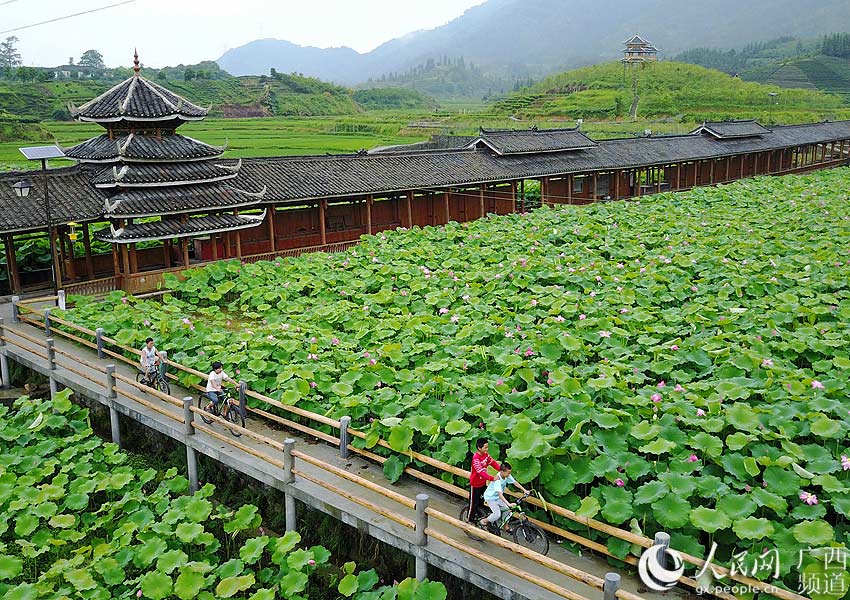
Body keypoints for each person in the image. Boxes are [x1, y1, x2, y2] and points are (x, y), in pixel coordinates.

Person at [479, 462, 528, 531]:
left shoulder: (506, 475)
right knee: (497, 514)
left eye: (509, 473)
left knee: (507, 510)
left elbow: (514, 482)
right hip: (490, 498)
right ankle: (484, 521)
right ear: (502, 472)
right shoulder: (497, 480)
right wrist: (509, 504)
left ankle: (505, 526)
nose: (509, 475)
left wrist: (524, 490)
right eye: (508, 473)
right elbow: (500, 494)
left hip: (497, 497)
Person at [468, 438, 500, 521]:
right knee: (473, 504)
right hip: (475, 484)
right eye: (485, 448)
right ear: (479, 448)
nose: (487, 449)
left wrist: (501, 470)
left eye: (487, 447)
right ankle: (469, 520)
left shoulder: (486, 455)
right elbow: (481, 472)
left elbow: (493, 462)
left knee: (482, 501)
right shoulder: (476, 458)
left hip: (483, 483)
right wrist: (492, 478)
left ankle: (480, 516)